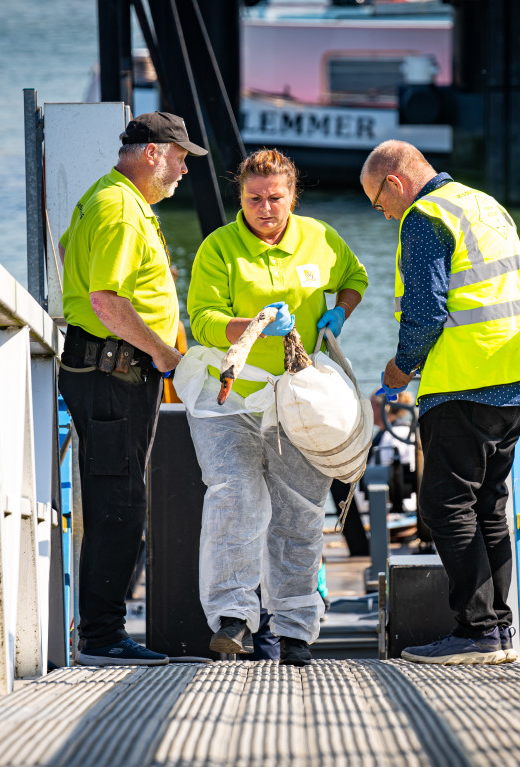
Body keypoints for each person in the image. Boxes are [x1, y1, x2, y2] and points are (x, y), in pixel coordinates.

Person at [360, 140, 520, 665]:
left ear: (395, 184)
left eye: (380, 205)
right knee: (489, 503)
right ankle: (498, 629)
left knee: (445, 504)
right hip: (517, 380)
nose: (386, 215)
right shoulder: (483, 204)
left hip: (466, 381)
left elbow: (425, 311)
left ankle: (477, 630)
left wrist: (399, 370)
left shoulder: (424, 217)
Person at [179, 148, 369, 667]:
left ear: (293, 197)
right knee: (234, 494)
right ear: (241, 197)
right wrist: (256, 323)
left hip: (297, 401)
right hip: (231, 394)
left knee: (299, 513)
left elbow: (356, 278)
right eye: (254, 198)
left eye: (275, 198)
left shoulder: (321, 238)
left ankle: (294, 630)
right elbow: (204, 321)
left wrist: (338, 313)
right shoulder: (219, 247)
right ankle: (232, 619)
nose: (265, 208)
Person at [57, 112, 206, 666]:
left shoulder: (109, 196)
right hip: (114, 372)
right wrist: (166, 354)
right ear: (152, 153)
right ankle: (101, 636)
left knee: (114, 497)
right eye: (180, 157)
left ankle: (101, 630)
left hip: (108, 367)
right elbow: (107, 302)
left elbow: (73, 255)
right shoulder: (121, 209)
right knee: (119, 503)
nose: (184, 170)